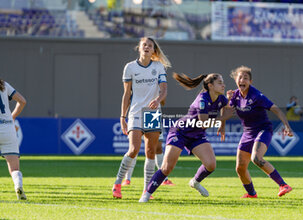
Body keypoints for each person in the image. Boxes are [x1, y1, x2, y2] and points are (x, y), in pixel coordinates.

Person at [139, 72, 234, 202]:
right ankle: (147, 194)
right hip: (181, 132)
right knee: (167, 168)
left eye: (223, 82)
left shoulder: (220, 98)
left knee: (211, 165)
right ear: (210, 85)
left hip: (197, 135)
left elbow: (225, 106)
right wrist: (223, 118)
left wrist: (222, 126)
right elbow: (203, 122)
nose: (223, 85)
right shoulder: (202, 99)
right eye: (220, 82)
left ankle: (195, 182)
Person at [112, 37, 171, 199]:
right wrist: (122, 116)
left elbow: (164, 90)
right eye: (144, 45)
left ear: (154, 51)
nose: (147, 47)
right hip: (136, 112)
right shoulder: (130, 67)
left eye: (150, 46)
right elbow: (126, 94)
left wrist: (158, 100)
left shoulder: (158, 67)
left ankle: (147, 190)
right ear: (139, 48)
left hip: (152, 113)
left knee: (151, 151)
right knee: (133, 149)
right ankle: (117, 183)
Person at [226, 66, 293, 198]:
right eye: (240, 77)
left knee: (256, 158)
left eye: (246, 78)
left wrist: (287, 126)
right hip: (247, 133)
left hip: (263, 130)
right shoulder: (234, 95)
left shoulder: (257, 96)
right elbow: (226, 113)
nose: (242, 80)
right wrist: (228, 100)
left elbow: (277, 110)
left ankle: (283, 185)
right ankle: (252, 194)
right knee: (240, 168)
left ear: (250, 81)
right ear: (235, 80)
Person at [0, 80, 27, 200]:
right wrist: (12, 117)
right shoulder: (3, 84)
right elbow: (22, 101)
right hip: (8, 128)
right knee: (14, 168)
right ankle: (18, 186)